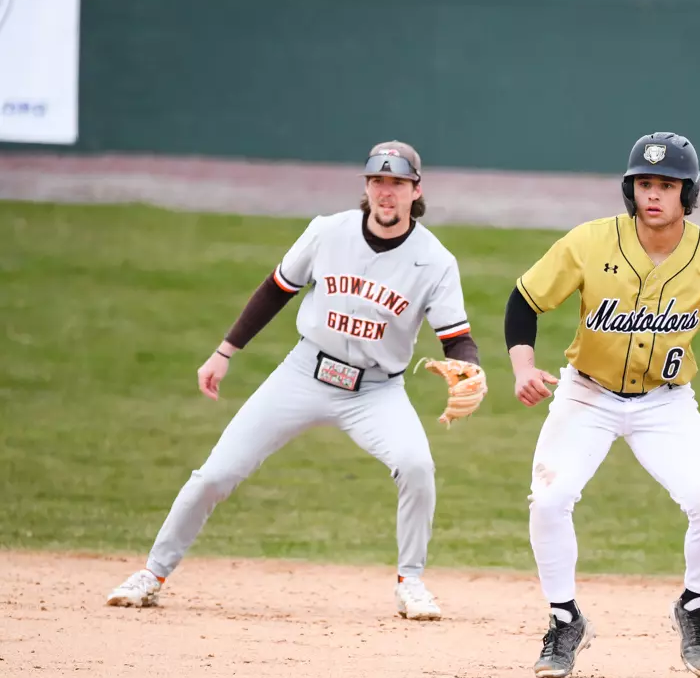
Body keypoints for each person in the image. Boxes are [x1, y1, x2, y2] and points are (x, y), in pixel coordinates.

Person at [105, 141, 484, 621]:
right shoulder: (328, 232)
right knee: (216, 473)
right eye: (377, 181)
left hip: (376, 390)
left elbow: (457, 337)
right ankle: (152, 573)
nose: (386, 192)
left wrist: (470, 368)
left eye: (397, 183)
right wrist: (225, 352)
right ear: (366, 187)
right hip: (304, 373)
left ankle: (411, 581)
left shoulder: (434, 260)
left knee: (416, 466)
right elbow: (276, 289)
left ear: (416, 190)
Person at [505, 132, 700, 678]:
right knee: (548, 499)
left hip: (666, 404)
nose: (653, 195)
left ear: (689, 194)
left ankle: (695, 608)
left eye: (667, 185)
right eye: (644, 184)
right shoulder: (589, 242)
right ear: (630, 189)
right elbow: (525, 300)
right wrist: (522, 367)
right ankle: (565, 621)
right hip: (587, 394)